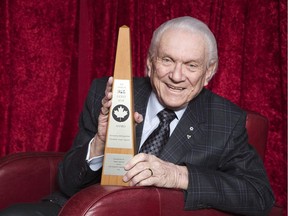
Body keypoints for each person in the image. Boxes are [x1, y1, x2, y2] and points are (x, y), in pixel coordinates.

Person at [0, 16, 275, 216]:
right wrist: (98, 143)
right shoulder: (106, 94)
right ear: (149, 62)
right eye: (167, 60)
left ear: (209, 73)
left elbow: (259, 195)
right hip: (78, 210)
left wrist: (178, 176)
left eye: (191, 65)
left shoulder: (227, 121)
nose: (177, 76)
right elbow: (68, 182)